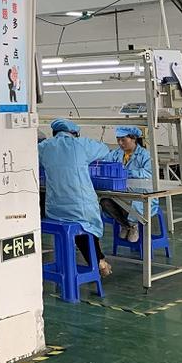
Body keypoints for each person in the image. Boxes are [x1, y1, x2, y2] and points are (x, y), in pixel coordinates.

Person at [38, 118, 113, 277]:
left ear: (54, 133)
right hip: (81, 205)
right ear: (74, 133)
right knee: (87, 226)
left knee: (78, 225)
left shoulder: (44, 147)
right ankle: (98, 261)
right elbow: (104, 149)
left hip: (54, 210)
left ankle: (96, 261)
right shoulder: (81, 144)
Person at [100, 126, 154, 244]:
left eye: (123, 140)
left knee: (134, 203)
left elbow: (149, 173)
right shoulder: (116, 154)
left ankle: (134, 225)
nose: (120, 143)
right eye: (118, 140)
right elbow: (105, 163)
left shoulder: (145, 155)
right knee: (105, 202)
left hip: (140, 194)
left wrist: (128, 172)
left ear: (133, 139)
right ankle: (126, 225)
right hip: (120, 193)